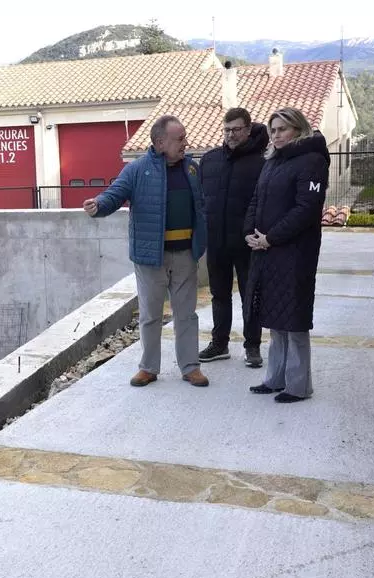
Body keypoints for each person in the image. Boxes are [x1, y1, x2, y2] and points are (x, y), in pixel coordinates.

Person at [83, 115, 209, 388]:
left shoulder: (192, 169)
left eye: (184, 138)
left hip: (186, 255)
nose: (185, 143)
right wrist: (99, 205)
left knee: (186, 314)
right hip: (151, 257)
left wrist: (203, 240)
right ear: (160, 142)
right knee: (151, 315)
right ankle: (148, 368)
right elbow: (114, 194)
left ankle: (190, 367)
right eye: (179, 139)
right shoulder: (137, 169)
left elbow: (202, 206)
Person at [243, 107, 329, 403]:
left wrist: (271, 238)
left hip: (295, 252)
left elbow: (306, 209)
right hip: (267, 250)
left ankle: (298, 385)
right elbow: (256, 199)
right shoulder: (273, 160)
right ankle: (275, 378)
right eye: (273, 130)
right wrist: (249, 232)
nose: (276, 135)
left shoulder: (312, 161)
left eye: (282, 129)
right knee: (274, 317)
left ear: (298, 129)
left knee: (294, 320)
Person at [198, 107, 269, 368]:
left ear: (248, 130)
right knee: (219, 295)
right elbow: (201, 200)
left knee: (251, 296)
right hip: (216, 243)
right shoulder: (209, 160)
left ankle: (252, 346)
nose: (231, 134)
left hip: (248, 244)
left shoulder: (262, 164)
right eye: (227, 130)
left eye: (236, 129)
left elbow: (266, 205)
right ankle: (219, 344)